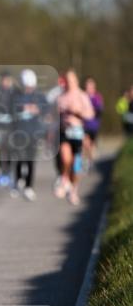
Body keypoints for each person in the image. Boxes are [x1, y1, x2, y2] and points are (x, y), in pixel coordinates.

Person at [55, 69, 94, 205]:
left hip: (78, 133)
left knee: (76, 166)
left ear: (76, 81)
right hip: (65, 132)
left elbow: (90, 115)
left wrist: (78, 113)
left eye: (72, 80)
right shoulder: (61, 96)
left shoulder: (82, 96)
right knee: (66, 159)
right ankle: (64, 179)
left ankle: (74, 190)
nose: (70, 83)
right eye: (68, 80)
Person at [10, 69, 47, 201]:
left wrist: (37, 109)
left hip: (33, 133)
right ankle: (18, 180)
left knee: (31, 160)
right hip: (19, 133)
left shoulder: (39, 96)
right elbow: (10, 108)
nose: (28, 89)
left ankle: (29, 186)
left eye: (30, 86)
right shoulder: (15, 95)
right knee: (19, 157)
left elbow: (45, 108)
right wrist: (23, 108)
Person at [82, 76, 104, 169]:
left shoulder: (97, 97)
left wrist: (93, 111)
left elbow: (100, 110)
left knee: (91, 146)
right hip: (84, 125)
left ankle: (91, 162)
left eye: (91, 86)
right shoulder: (82, 96)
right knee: (85, 143)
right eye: (88, 86)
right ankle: (85, 161)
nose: (89, 88)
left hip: (94, 126)